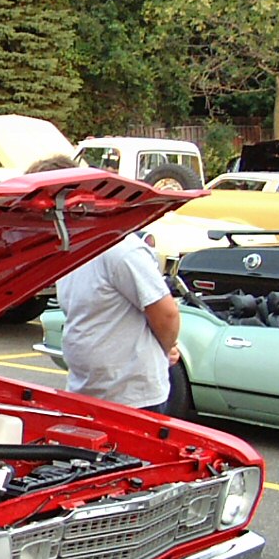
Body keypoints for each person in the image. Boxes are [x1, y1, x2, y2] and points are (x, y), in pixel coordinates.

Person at [44, 155, 181, 413]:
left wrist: (164, 350)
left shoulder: (119, 249)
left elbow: (166, 312)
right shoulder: (67, 251)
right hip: (84, 392)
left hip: (132, 399)